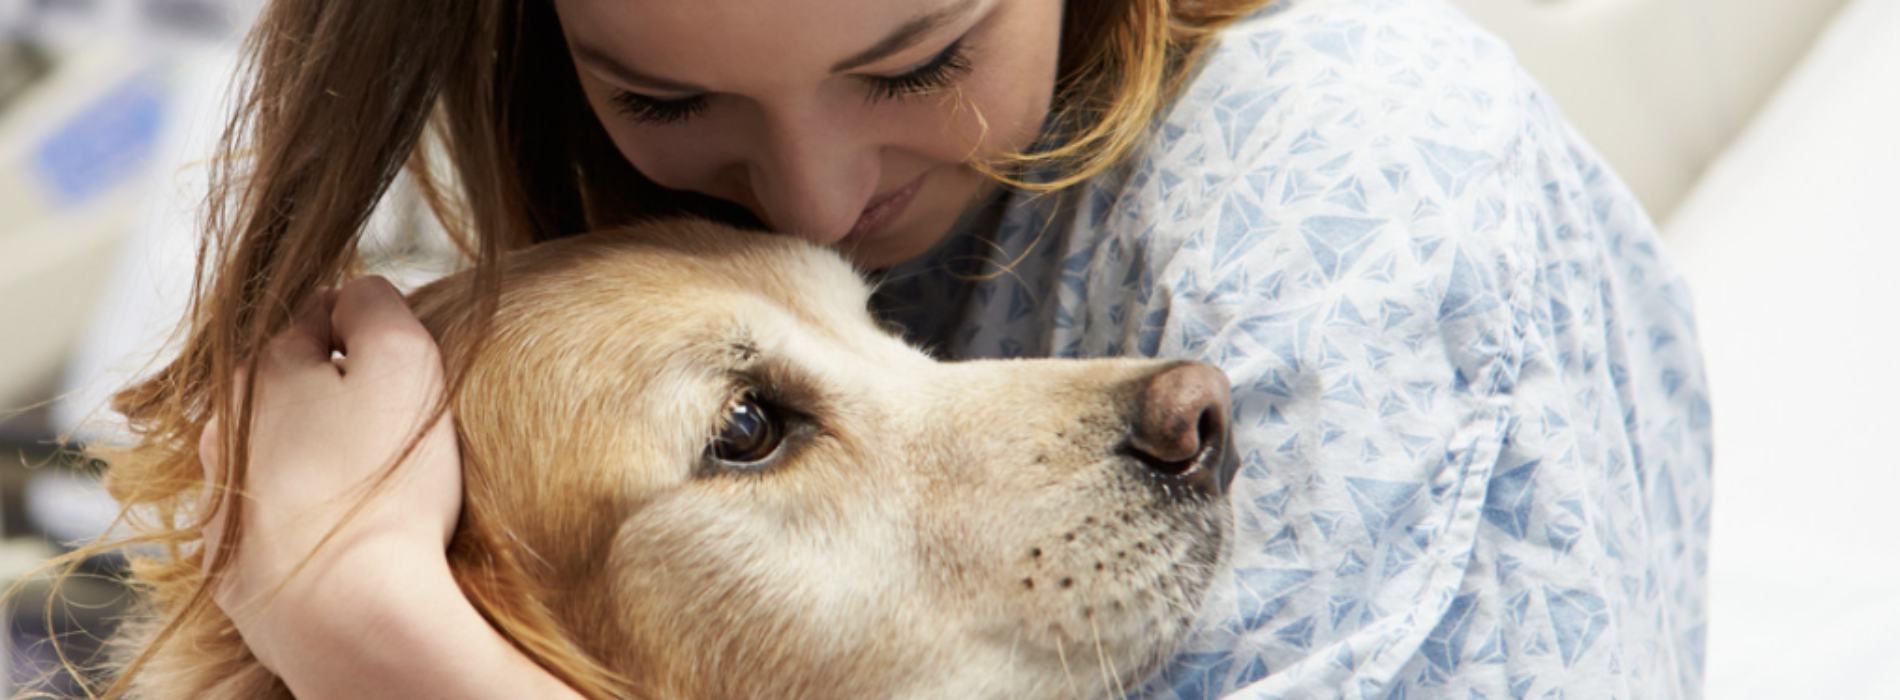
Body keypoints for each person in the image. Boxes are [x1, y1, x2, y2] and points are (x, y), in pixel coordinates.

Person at [100, 0, 1712, 698]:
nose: (810, 194)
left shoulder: (1347, 189)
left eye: (921, 58)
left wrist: (379, 645)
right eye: (666, 99)